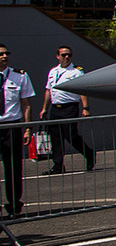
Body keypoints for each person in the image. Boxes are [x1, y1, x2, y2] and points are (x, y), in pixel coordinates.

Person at [39, 46, 96, 174]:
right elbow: (49, 91)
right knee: (56, 137)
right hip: (55, 108)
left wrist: (85, 108)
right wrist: (45, 108)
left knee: (70, 135)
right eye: (63, 55)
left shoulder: (76, 72)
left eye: (69, 55)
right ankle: (58, 165)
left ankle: (89, 153)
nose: (66, 57)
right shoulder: (53, 71)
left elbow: (82, 90)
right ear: (57, 56)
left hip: (69, 107)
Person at [0, 44, 34, 217]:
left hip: (11, 126)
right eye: (1, 54)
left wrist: (27, 129)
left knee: (13, 167)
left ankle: (14, 204)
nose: (4, 56)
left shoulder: (19, 76)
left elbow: (26, 104)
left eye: (6, 53)